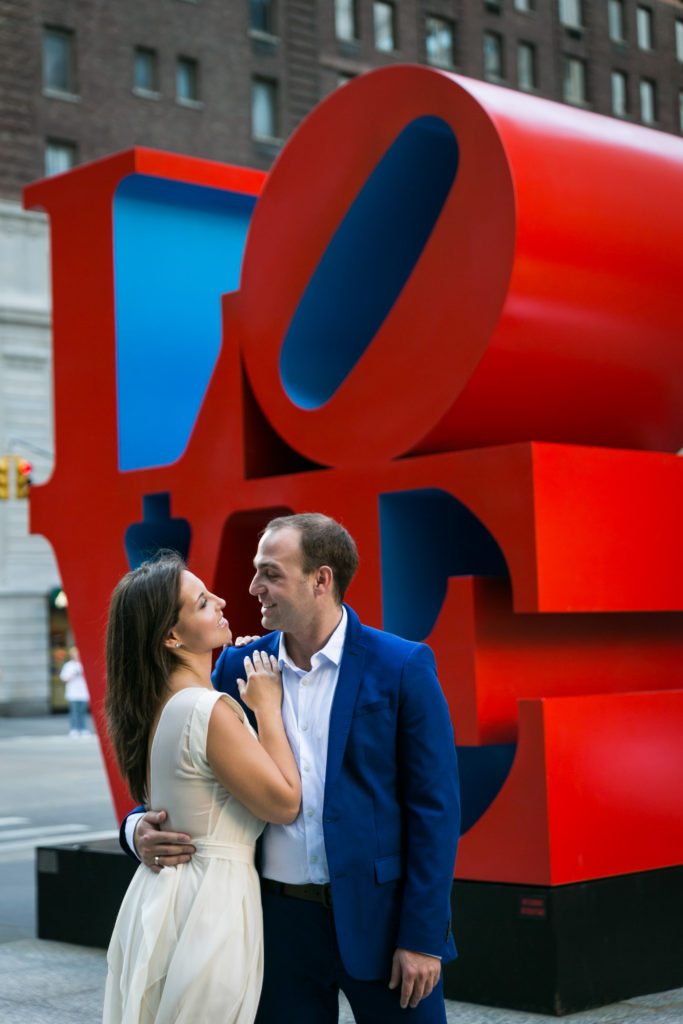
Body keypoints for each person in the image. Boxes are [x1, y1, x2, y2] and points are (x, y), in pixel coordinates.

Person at [122, 515, 460, 1023]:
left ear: (320, 580)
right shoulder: (236, 668)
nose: (253, 587)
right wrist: (134, 827)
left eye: (270, 574)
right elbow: (193, 765)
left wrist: (423, 937)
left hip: (384, 925)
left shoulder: (402, 666)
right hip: (275, 927)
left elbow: (436, 811)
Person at [104, 552, 301, 1024]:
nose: (220, 600)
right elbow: (284, 802)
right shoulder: (205, 709)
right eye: (201, 603)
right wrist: (268, 708)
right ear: (171, 637)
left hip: (165, 898)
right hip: (209, 907)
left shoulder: (155, 705)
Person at [60, 646, 90, 736]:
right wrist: (73, 674)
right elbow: (64, 678)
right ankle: (74, 729)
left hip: (83, 692)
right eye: (75, 654)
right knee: (74, 712)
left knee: (82, 711)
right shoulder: (68, 665)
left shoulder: (84, 664)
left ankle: (83, 728)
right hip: (73, 693)